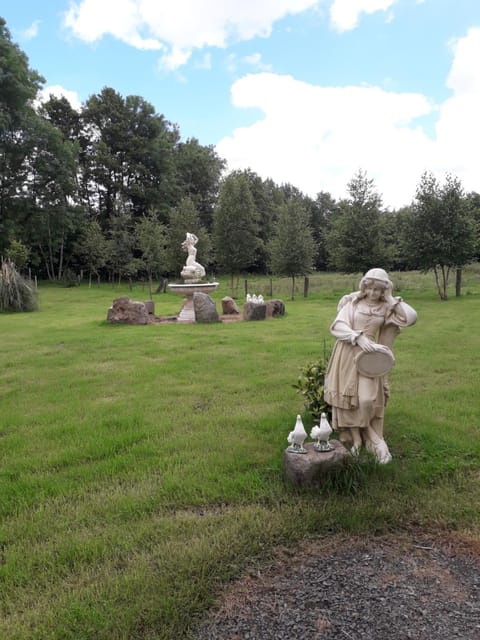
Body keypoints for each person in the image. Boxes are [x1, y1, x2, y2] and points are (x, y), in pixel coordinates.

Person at [324, 268, 417, 463]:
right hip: (348, 352)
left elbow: (410, 317)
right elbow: (337, 326)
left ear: (384, 290)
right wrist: (357, 337)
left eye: (378, 289)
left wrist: (391, 297)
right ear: (364, 287)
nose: (373, 293)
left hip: (371, 359)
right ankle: (357, 439)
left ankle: (370, 434)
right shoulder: (352, 303)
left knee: (366, 400)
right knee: (350, 399)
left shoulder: (385, 307)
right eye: (370, 288)